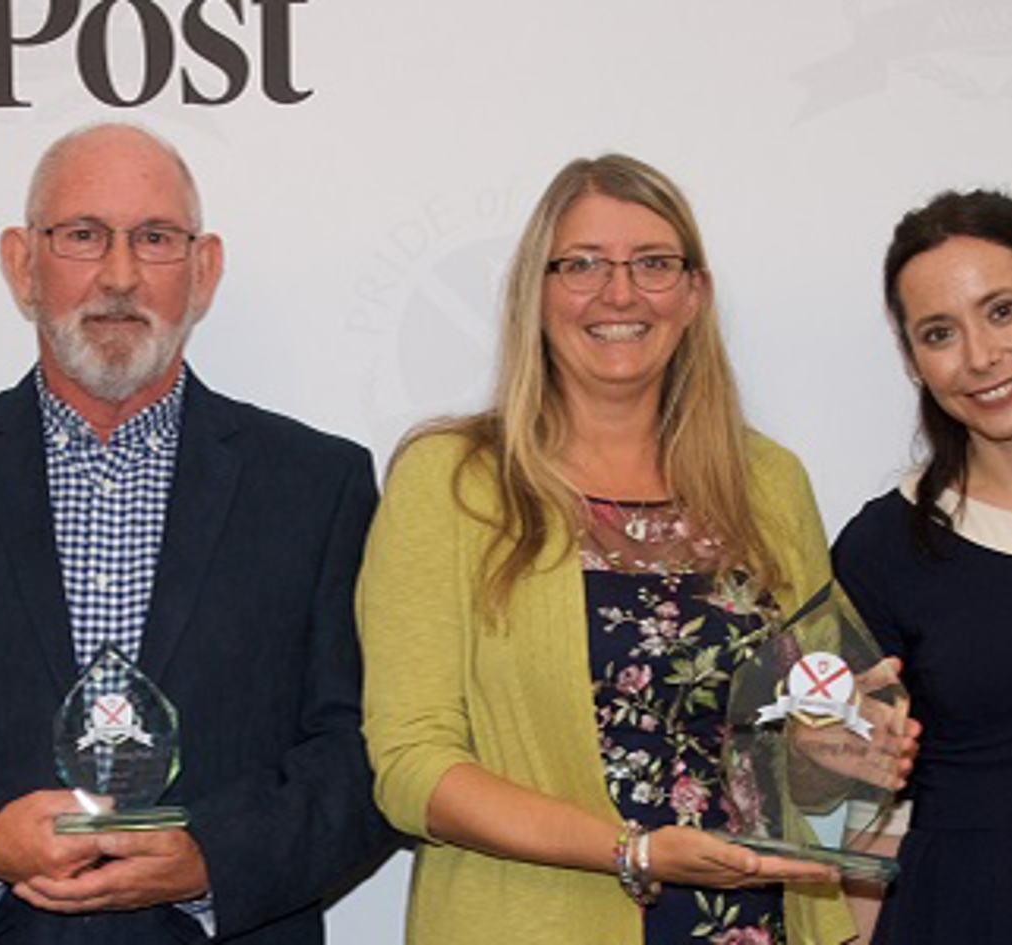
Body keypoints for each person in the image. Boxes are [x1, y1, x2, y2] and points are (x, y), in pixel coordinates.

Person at [0, 122, 392, 943]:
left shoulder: (317, 485)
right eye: (82, 235)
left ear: (203, 268)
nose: (119, 275)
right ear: (20, 262)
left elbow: (368, 752)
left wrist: (214, 854)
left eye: (155, 238)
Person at [358, 154, 884, 944]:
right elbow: (410, 766)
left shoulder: (770, 483)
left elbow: (806, 745)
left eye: (653, 264)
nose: (620, 293)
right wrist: (630, 852)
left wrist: (846, 740)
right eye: (582, 266)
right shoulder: (452, 482)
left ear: (694, 294)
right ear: (535, 293)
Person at [833, 190, 1012, 943]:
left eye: (1002, 310)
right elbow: (864, 814)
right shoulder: (883, 547)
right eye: (939, 332)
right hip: (965, 912)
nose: (980, 357)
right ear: (913, 358)